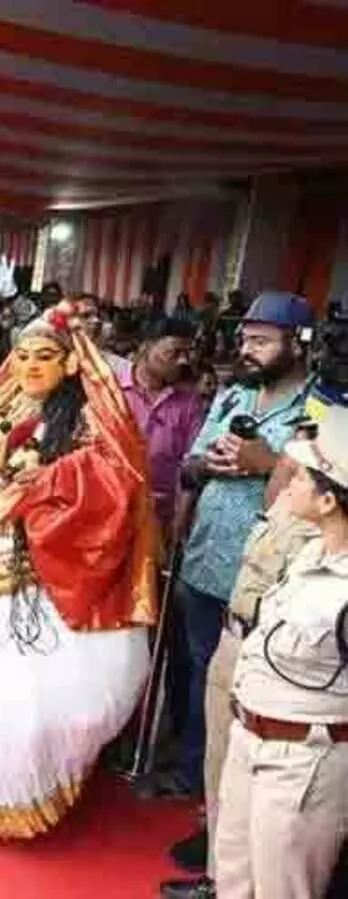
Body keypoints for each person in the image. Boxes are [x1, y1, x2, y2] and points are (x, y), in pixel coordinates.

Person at [0, 300, 157, 837]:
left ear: (70, 362)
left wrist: (44, 483)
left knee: (22, 695)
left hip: (47, 568)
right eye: (21, 356)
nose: (30, 367)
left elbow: (116, 480)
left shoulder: (91, 415)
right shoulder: (10, 406)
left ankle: (12, 797)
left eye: (44, 356)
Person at [166, 291, 316, 803]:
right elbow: (189, 466)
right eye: (245, 339)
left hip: (265, 579)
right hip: (204, 560)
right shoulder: (233, 396)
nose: (247, 350)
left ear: (298, 344)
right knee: (196, 674)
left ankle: (227, 797)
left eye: (262, 341)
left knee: (244, 689)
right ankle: (191, 778)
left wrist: (269, 463)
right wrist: (206, 465)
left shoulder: (321, 407)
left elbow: (326, 489)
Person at [210, 406, 348, 898]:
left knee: (282, 888)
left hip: (305, 757)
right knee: (234, 879)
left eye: (301, 476)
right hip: (252, 734)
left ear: (328, 500)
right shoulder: (311, 552)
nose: (288, 480)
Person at [122, 316, 207, 544]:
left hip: (160, 518)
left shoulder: (190, 403)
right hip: (110, 507)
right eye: (174, 353)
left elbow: (191, 461)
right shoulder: (112, 390)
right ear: (146, 347)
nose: (183, 361)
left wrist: (182, 515)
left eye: (187, 353)